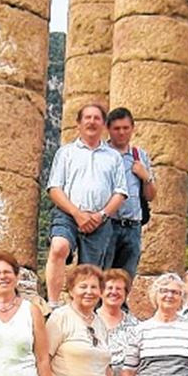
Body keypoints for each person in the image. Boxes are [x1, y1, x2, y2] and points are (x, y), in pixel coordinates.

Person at [45, 104, 128, 304]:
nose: (92, 122)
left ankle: (82, 310)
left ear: (103, 124)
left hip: (99, 218)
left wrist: (101, 215)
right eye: (87, 118)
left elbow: (120, 192)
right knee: (59, 247)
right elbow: (54, 188)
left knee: (90, 271)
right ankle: (52, 304)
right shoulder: (65, 153)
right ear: (78, 124)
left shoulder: (113, 157)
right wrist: (76, 213)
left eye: (96, 118)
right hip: (68, 213)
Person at [103, 108, 155, 278]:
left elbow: (150, 196)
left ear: (133, 128)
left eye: (125, 128)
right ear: (108, 129)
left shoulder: (140, 156)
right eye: (116, 128)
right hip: (107, 223)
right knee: (102, 276)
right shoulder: (100, 154)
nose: (121, 132)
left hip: (133, 226)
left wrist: (145, 176)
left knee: (125, 279)